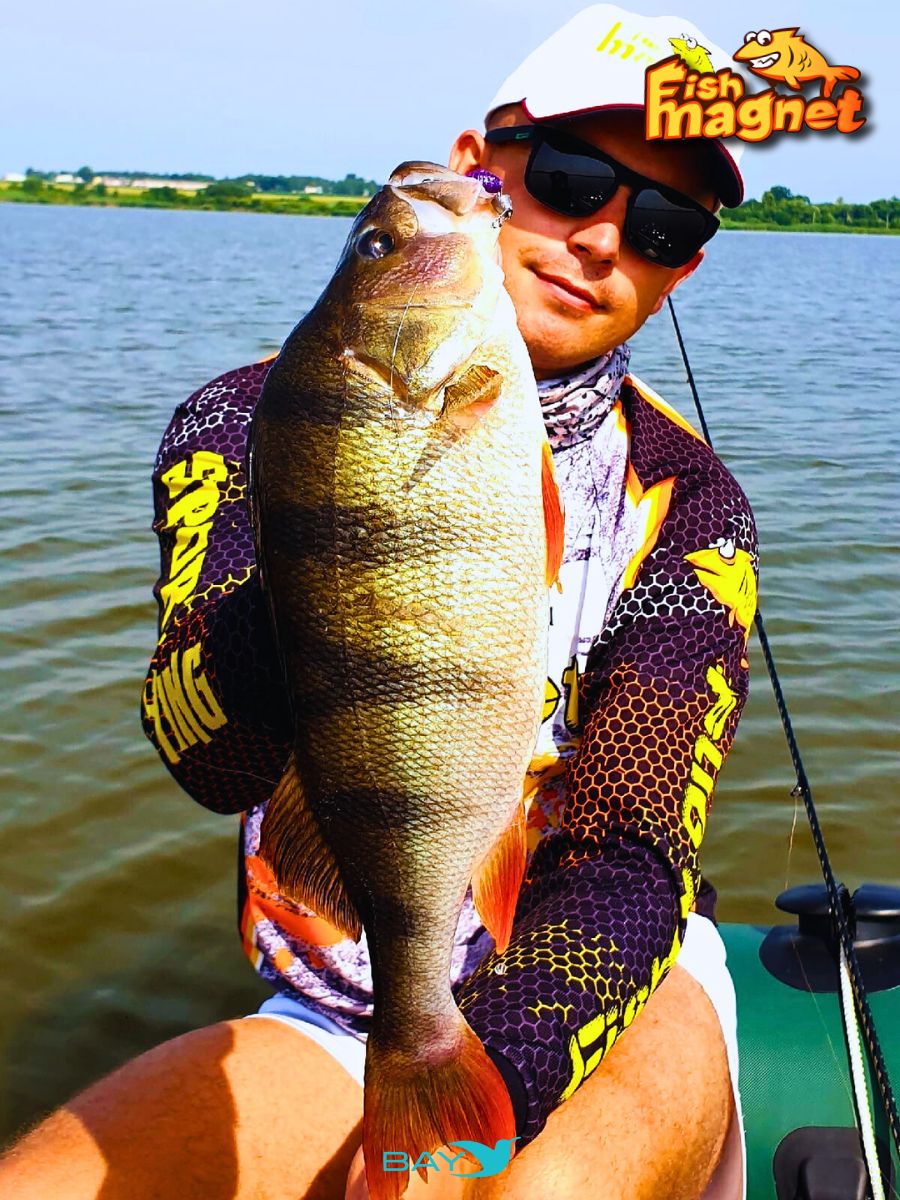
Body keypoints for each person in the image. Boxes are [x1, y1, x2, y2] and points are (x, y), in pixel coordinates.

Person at [0, 6, 758, 1198]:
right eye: (569, 177)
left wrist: (456, 1111)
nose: (602, 237)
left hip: (622, 992)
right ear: (477, 169)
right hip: (339, 995)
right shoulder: (248, 421)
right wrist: (325, 561)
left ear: (685, 268)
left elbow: (633, 849)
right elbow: (207, 758)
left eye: (664, 222)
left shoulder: (690, 503)